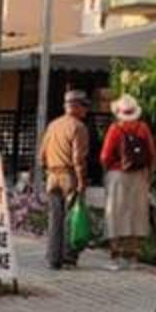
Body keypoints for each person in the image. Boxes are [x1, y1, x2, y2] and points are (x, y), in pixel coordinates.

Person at [99, 94, 156, 261]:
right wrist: (149, 174)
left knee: (116, 212)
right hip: (140, 175)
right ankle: (133, 252)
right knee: (137, 212)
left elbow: (104, 156)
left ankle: (115, 251)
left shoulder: (115, 129)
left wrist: (107, 172)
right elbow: (152, 154)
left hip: (118, 175)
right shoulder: (143, 128)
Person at [39, 91, 93, 269]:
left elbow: (42, 154)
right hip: (69, 175)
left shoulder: (53, 125)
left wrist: (47, 170)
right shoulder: (78, 127)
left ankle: (53, 258)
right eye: (84, 106)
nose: (86, 110)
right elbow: (78, 158)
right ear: (76, 107)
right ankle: (68, 256)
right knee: (71, 217)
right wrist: (82, 181)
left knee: (55, 217)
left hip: (52, 175)